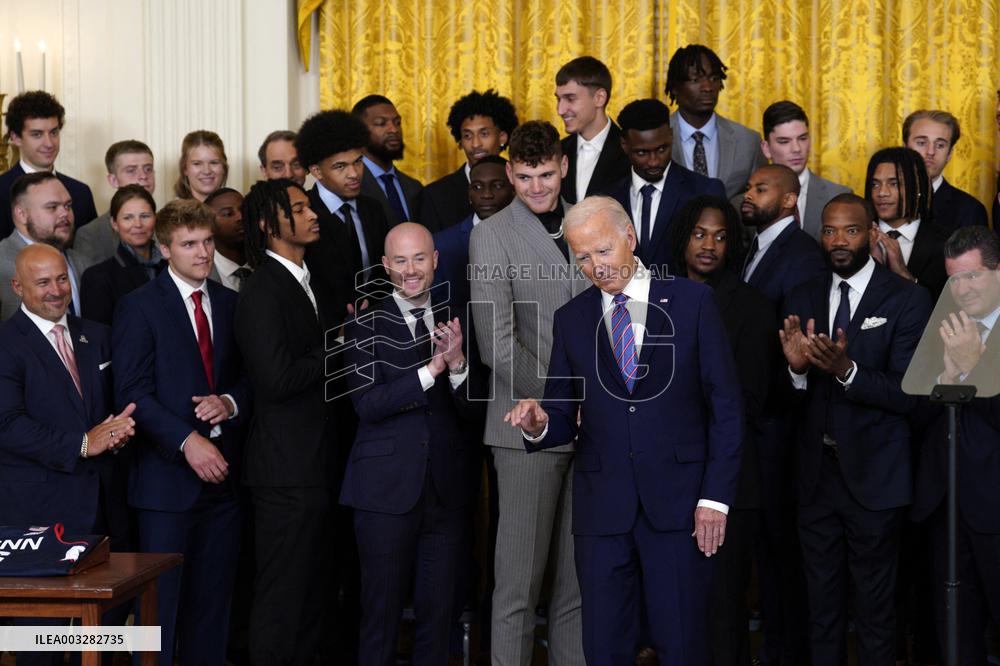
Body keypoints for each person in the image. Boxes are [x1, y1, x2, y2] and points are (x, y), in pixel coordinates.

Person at [505, 196, 742, 665]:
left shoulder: (694, 302)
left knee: (682, 642)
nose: (596, 266)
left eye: (604, 251)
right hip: (602, 512)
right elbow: (559, 411)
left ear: (629, 237)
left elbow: (727, 409)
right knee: (605, 645)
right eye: (583, 257)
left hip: (679, 506)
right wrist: (537, 424)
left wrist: (714, 500)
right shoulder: (571, 319)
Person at [779, 193, 932, 666]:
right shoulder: (803, 293)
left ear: (870, 233)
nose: (838, 241)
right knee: (821, 609)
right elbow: (782, 401)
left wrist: (848, 371)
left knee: (876, 611)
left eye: (849, 230)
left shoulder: (906, 298)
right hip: (816, 479)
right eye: (828, 230)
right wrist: (797, 372)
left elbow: (912, 393)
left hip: (876, 481)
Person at [469, 120, 589, 665]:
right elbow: (496, 344)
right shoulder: (490, 234)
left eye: (544, 174)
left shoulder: (592, 221)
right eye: (523, 176)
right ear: (510, 172)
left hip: (595, 430)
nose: (536, 187)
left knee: (576, 589)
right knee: (517, 589)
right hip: (526, 431)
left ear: (563, 166)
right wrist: (561, 408)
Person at [112, 198, 249, 666]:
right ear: (164, 248)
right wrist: (187, 441)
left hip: (224, 484)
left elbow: (252, 380)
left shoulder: (232, 303)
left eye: (208, 241)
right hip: (164, 488)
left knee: (212, 612)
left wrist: (230, 402)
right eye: (189, 244)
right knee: (159, 615)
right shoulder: (139, 307)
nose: (203, 252)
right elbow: (131, 393)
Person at [340, 222, 482, 665]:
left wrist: (458, 364)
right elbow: (367, 404)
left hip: (446, 492)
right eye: (400, 261)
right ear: (385, 266)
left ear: (435, 260)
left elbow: (476, 413)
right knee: (380, 617)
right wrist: (431, 371)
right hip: (384, 492)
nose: (411, 270)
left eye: (419, 258)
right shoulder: (363, 322)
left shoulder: (460, 317)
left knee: (438, 620)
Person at [0, 244, 136, 666]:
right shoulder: (5, 343)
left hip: (105, 508)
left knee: (109, 637)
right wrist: (83, 443)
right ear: (18, 287)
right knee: (40, 644)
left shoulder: (96, 333)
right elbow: (6, 424)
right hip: (38, 517)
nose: (56, 290)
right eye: (43, 282)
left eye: (62, 278)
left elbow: (107, 411)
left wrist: (119, 432)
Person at [669, 194, 777, 666]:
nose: (709, 244)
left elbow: (748, 401)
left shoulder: (751, 306)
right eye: (699, 233)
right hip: (667, 479)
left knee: (723, 612)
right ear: (683, 239)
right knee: (675, 610)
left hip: (730, 482)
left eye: (720, 235)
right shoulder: (657, 297)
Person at [234, 179, 339, 665]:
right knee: (283, 597)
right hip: (284, 472)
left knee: (314, 593)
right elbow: (275, 379)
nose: (312, 213)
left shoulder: (304, 278)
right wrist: (339, 349)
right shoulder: (261, 287)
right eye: (298, 208)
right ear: (266, 223)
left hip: (313, 466)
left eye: (309, 204)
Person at [739, 163, 824, 666]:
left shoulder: (801, 256)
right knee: (765, 552)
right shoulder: (757, 245)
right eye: (749, 187)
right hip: (755, 424)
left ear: (790, 200)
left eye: (760, 188)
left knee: (781, 552)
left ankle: (786, 653)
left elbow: (794, 345)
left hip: (778, 425)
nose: (749, 195)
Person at [910, 226, 1000, 665]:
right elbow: (913, 407)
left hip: (996, 507)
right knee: (955, 636)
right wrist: (948, 380)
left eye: (973, 277)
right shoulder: (939, 324)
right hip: (943, 504)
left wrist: (973, 369)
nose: (961, 290)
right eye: (953, 279)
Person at [602, 98, 725, 273]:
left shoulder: (705, 191)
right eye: (642, 152)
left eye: (662, 149)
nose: (654, 162)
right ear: (624, 145)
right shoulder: (606, 198)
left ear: (671, 135)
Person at [296, 109, 393, 319]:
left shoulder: (373, 209)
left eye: (358, 161)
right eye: (340, 166)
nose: (354, 173)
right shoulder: (304, 214)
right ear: (316, 171)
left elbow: (382, 272)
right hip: (325, 334)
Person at [665, 45, 766, 201]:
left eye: (714, 78)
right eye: (695, 80)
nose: (707, 87)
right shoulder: (658, 139)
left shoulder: (748, 141)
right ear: (675, 87)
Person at [0, 91, 98, 238]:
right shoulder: (1, 191)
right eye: (37, 134)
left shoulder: (81, 192)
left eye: (54, 132)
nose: (49, 143)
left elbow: (93, 255)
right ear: (16, 138)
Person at [0, 172, 95, 320]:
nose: (65, 213)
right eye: (52, 207)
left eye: (68, 206)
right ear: (21, 214)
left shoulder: (83, 262)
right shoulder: (2, 261)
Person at [421, 89, 519, 231]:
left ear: (502, 137)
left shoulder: (523, 184)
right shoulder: (435, 195)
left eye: (484, 134)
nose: (475, 144)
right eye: (467, 136)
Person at [865, 146, 950, 299]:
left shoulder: (945, 243)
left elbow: (943, 309)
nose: (882, 193)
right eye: (875, 184)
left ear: (917, 188)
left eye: (894, 183)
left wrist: (903, 273)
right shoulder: (857, 236)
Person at [761, 101, 850, 239]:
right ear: (766, 148)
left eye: (802, 138)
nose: (796, 149)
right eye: (784, 141)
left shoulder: (839, 196)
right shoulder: (748, 203)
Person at [80, 184, 162, 326]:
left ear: (155, 219)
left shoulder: (171, 268)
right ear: (114, 224)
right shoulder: (98, 277)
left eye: (145, 216)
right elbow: (98, 337)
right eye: (128, 218)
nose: (138, 224)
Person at [555, 56, 629, 204]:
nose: (560, 110)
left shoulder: (630, 151)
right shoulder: (557, 151)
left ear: (599, 98)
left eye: (570, 99)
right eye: (558, 99)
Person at [903, 109, 989, 230]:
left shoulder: (970, 210)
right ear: (905, 147)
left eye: (940, 145)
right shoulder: (881, 199)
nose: (931, 152)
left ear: (949, 154)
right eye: (921, 143)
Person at [75, 140, 157, 263]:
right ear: (113, 180)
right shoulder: (90, 235)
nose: (143, 176)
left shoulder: (170, 223)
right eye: (131, 170)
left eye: (148, 169)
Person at [354, 95, 423, 226]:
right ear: (359, 132)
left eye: (397, 122)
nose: (394, 129)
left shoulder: (414, 187)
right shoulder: (351, 186)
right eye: (381, 123)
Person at [205, 187, 251, 291]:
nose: (241, 217)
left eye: (244, 210)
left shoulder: (268, 265)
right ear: (209, 224)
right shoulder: (200, 270)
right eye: (228, 214)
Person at [174, 130, 228, 202]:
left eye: (214, 163)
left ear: (223, 168)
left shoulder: (240, 209)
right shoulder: (173, 212)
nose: (207, 171)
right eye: (197, 164)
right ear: (185, 169)